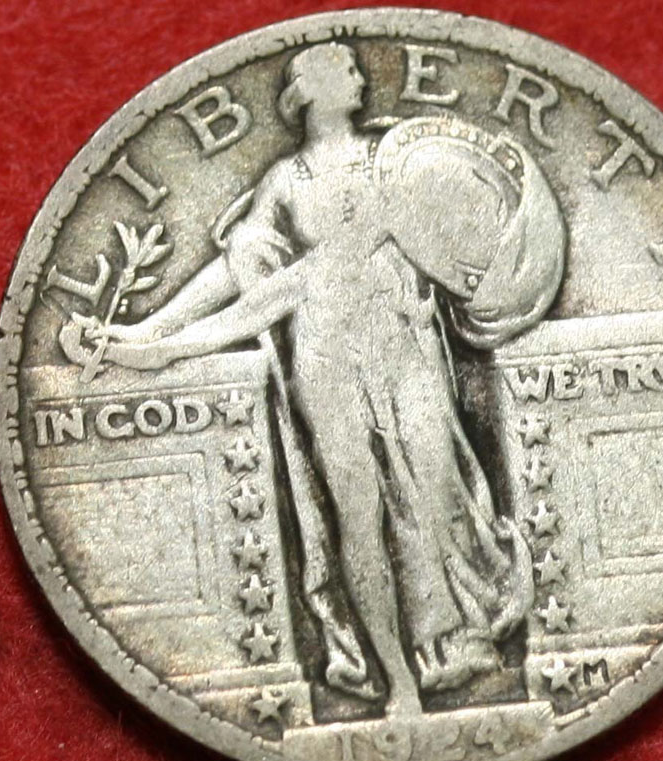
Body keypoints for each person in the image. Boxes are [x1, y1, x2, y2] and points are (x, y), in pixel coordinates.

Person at [77, 43, 550, 717]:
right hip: (325, 355)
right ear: (307, 90)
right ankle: (398, 684)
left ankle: (454, 643)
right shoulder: (286, 180)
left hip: (404, 346)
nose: (359, 73)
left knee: (439, 488)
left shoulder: (396, 155)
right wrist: (151, 330)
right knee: (356, 519)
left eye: (355, 66)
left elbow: (459, 228)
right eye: (343, 67)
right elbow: (238, 269)